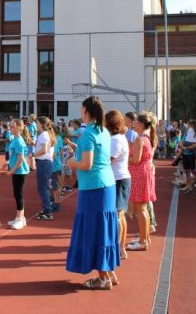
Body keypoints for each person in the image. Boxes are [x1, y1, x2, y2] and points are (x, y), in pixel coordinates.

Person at [65, 96, 120, 290]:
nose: (81, 113)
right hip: (106, 185)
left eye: (82, 110)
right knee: (104, 230)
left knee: (95, 230)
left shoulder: (88, 133)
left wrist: (71, 162)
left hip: (94, 188)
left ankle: (103, 277)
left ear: (87, 111)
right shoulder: (103, 130)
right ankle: (109, 272)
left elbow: (86, 164)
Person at [127, 113, 157, 251]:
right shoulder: (146, 138)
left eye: (135, 122)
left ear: (140, 124)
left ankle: (143, 240)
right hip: (143, 173)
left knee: (141, 208)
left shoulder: (140, 139)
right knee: (142, 208)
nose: (133, 123)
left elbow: (135, 159)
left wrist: (122, 157)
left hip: (140, 174)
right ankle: (144, 238)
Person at [105, 110, 131, 260]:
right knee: (120, 214)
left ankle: (120, 247)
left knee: (117, 214)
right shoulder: (118, 138)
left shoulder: (115, 140)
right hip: (120, 177)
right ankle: (120, 246)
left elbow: (108, 159)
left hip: (118, 179)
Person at [6, 119, 31, 230]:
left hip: (20, 171)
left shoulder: (19, 141)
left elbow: (21, 159)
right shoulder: (14, 140)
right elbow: (14, 156)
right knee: (16, 194)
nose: (10, 128)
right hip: (16, 170)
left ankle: (20, 219)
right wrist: (8, 164)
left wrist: (12, 170)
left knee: (18, 194)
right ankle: (20, 217)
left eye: (13, 126)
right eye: (10, 126)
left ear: (19, 128)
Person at [33, 116, 56, 220]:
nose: (36, 125)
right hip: (45, 162)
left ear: (41, 124)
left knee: (43, 188)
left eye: (37, 123)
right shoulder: (45, 134)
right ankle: (46, 209)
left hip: (44, 162)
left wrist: (32, 154)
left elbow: (44, 150)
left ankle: (47, 211)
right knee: (42, 187)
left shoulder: (43, 134)